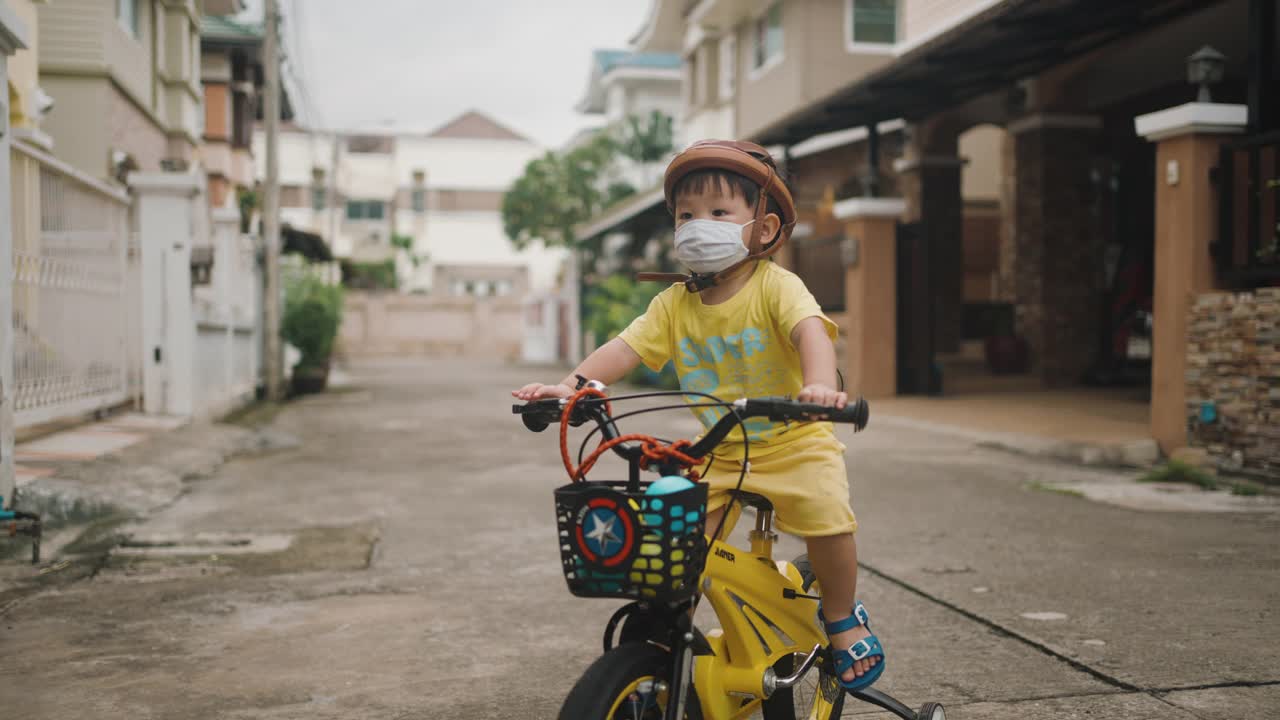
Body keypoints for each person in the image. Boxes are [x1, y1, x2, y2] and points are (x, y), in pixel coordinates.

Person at [512, 140, 883, 690]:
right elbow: (622, 349)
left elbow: (811, 332)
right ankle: (671, 634)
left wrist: (819, 388)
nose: (696, 225)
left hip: (794, 443)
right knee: (675, 547)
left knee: (828, 517)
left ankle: (841, 617)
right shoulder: (673, 304)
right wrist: (568, 389)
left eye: (717, 212)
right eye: (686, 214)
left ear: (762, 229)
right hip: (721, 450)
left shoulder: (776, 286)